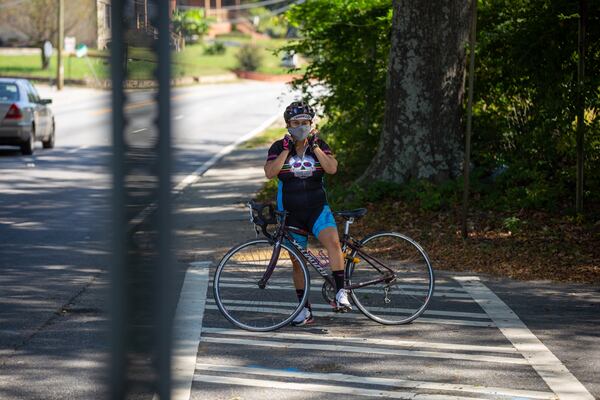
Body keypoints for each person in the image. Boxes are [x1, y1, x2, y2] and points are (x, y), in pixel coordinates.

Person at [264, 101, 351, 326]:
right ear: (288, 125)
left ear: (311, 124)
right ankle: (304, 310)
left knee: (333, 243)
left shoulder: (319, 144)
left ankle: (341, 292)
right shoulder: (278, 147)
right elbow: (270, 173)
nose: (300, 126)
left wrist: (315, 148)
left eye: (305, 122)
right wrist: (285, 150)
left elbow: (332, 169)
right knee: (297, 262)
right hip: (290, 213)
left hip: (317, 209)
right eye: (296, 123)